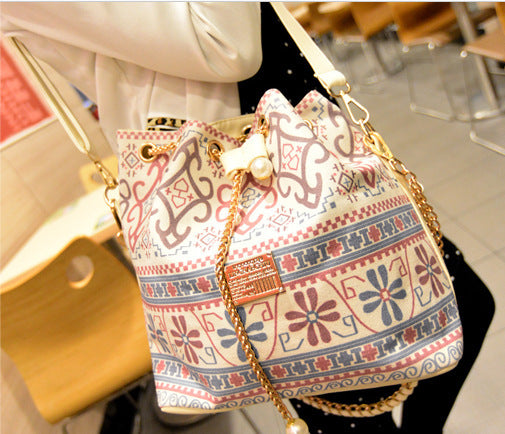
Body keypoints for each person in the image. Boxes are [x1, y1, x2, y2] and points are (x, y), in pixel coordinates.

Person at [1, 3, 495, 434]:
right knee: (349, 404)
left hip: (303, 150)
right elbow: (227, 45)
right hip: (247, 197)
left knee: (467, 304)